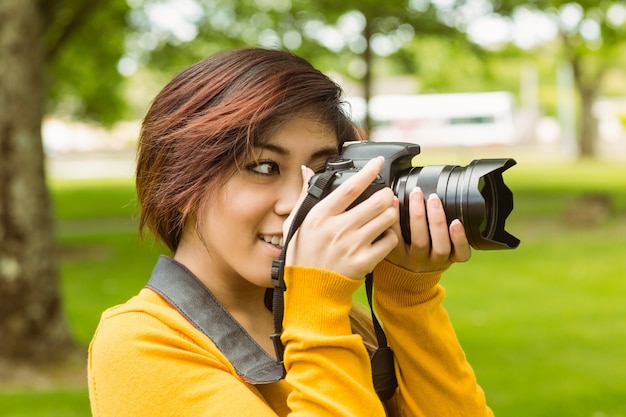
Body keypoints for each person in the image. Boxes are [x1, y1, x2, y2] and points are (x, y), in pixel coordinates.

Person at [88, 47, 493, 416]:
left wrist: (407, 297)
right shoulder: (141, 342)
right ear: (182, 185)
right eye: (263, 167)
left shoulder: (341, 319)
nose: (299, 202)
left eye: (320, 173)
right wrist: (315, 304)